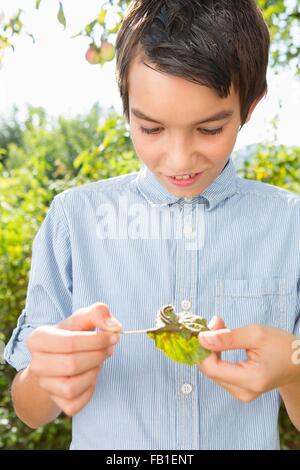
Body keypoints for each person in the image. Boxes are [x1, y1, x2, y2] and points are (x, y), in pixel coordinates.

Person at [4, 0, 300, 450]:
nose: (179, 160)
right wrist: (46, 377)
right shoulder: (73, 220)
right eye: (151, 129)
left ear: (249, 105)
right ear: (126, 105)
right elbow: (29, 410)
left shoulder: (289, 224)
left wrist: (292, 370)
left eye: (208, 130)